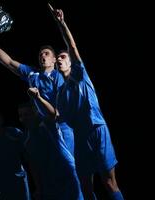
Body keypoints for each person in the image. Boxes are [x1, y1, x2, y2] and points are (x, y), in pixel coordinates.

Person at [48, 4, 124, 200]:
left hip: (97, 130)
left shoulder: (80, 75)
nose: (59, 59)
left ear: (71, 62)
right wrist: (37, 98)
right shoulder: (61, 93)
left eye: (62, 57)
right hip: (81, 139)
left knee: (109, 182)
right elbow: (57, 117)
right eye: (57, 58)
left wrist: (61, 24)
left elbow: (72, 47)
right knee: (85, 188)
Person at [0, 26, 75, 156]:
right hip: (42, 129)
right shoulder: (33, 73)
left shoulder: (58, 77)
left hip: (62, 128)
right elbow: (9, 62)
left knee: (69, 169)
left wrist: (38, 97)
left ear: (54, 60)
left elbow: (57, 113)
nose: (42, 55)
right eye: (40, 54)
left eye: (46, 53)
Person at [18, 87, 83, 200]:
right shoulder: (26, 139)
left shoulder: (48, 125)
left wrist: (37, 97)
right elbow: (33, 165)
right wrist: (38, 188)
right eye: (21, 115)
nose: (24, 118)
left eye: (27, 114)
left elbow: (53, 114)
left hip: (68, 177)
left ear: (35, 114)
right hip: (49, 184)